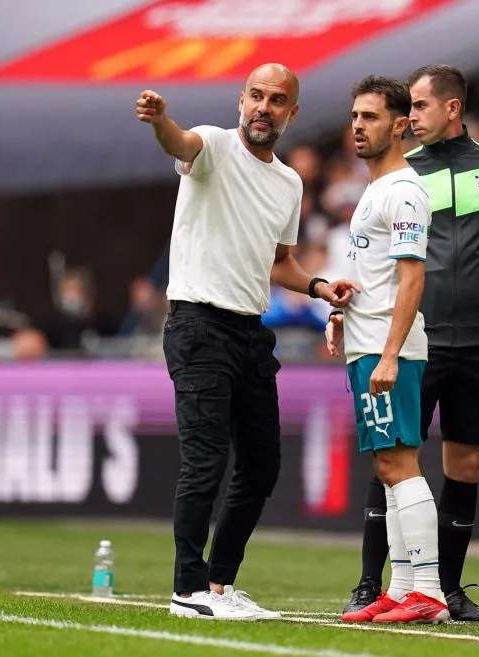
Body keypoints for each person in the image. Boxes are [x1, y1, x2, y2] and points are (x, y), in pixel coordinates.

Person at [136, 63, 358, 621]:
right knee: (206, 459)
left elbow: (279, 263)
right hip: (197, 324)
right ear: (241, 100)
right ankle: (187, 589)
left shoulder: (289, 181)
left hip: (249, 333)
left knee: (261, 466)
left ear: (292, 113)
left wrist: (317, 286)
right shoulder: (210, 146)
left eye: (277, 99)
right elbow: (179, 141)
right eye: (256, 96)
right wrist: (161, 120)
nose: (264, 106)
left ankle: (217, 585)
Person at [342, 65, 479, 622]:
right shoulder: (399, 174)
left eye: (419, 106)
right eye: (406, 108)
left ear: (453, 108)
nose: (409, 118)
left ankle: (448, 590)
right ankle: (370, 585)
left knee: (464, 467)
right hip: (417, 337)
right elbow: (373, 255)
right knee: (391, 460)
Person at [325, 75, 449, 624]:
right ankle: (402, 589)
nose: (357, 125)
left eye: (370, 117)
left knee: (400, 463)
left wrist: (392, 352)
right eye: (355, 115)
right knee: (386, 464)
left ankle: (429, 592)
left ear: (399, 125)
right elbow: (373, 275)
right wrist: (340, 310)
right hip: (367, 339)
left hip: (386, 346)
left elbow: (412, 278)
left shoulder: (403, 190)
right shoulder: (374, 190)